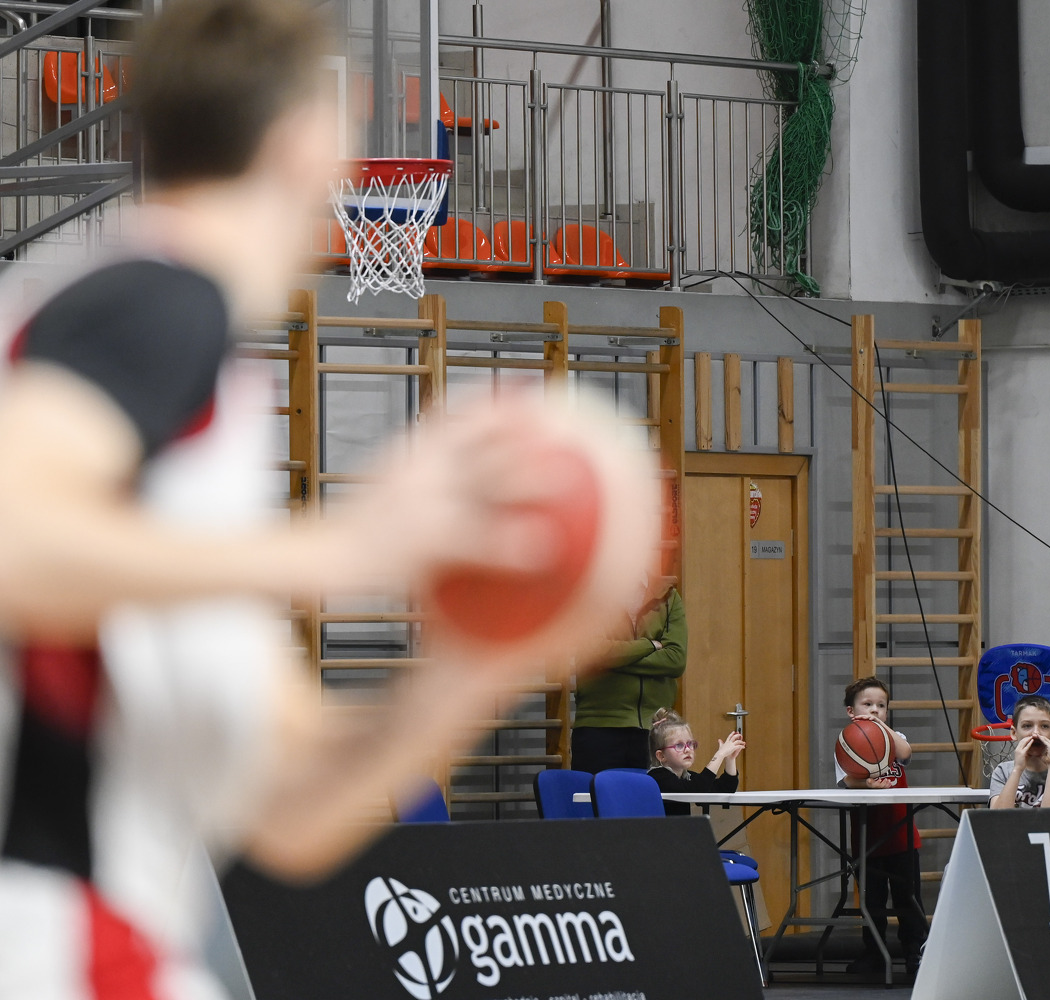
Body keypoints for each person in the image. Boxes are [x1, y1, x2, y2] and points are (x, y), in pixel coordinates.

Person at [0, 0, 655, 996]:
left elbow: (292, 814)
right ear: (311, 135)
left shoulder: (188, 413)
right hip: (45, 933)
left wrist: (482, 663)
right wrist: (345, 550)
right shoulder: (156, 300)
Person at [835, 676, 926, 979]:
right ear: (851, 711)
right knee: (872, 901)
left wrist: (882, 728)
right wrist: (867, 784)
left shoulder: (893, 736)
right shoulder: (846, 742)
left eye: (881, 705)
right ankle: (874, 954)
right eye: (867, 704)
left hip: (901, 833)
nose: (874, 710)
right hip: (868, 835)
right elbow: (847, 780)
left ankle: (915, 952)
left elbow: (905, 753)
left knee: (908, 897)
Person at [571, 581, 686, 773]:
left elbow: (676, 660)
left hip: (656, 729)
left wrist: (613, 660)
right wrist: (649, 645)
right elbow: (593, 652)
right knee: (596, 793)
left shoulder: (668, 596)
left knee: (656, 793)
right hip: (598, 726)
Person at [645, 709, 743, 816]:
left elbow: (725, 788)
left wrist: (730, 759)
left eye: (690, 744)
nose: (687, 749)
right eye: (679, 745)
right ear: (661, 756)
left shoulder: (686, 777)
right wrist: (719, 755)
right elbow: (697, 789)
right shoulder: (657, 777)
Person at [988, 695, 1050, 808]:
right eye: (1027, 726)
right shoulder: (1002, 771)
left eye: (1044, 726)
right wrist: (1017, 769)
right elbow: (998, 817)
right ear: (1014, 733)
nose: (1036, 733)